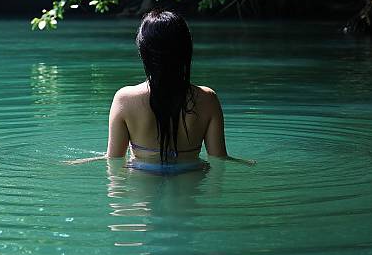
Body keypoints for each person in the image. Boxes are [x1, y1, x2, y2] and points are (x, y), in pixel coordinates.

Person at [65, 9, 256, 172]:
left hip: (141, 184)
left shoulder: (124, 99)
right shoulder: (208, 99)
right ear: (185, 50)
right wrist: (246, 163)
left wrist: (82, 161)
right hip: (190, 181)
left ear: (144, 52)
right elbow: (219, 158)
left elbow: (114, 159)